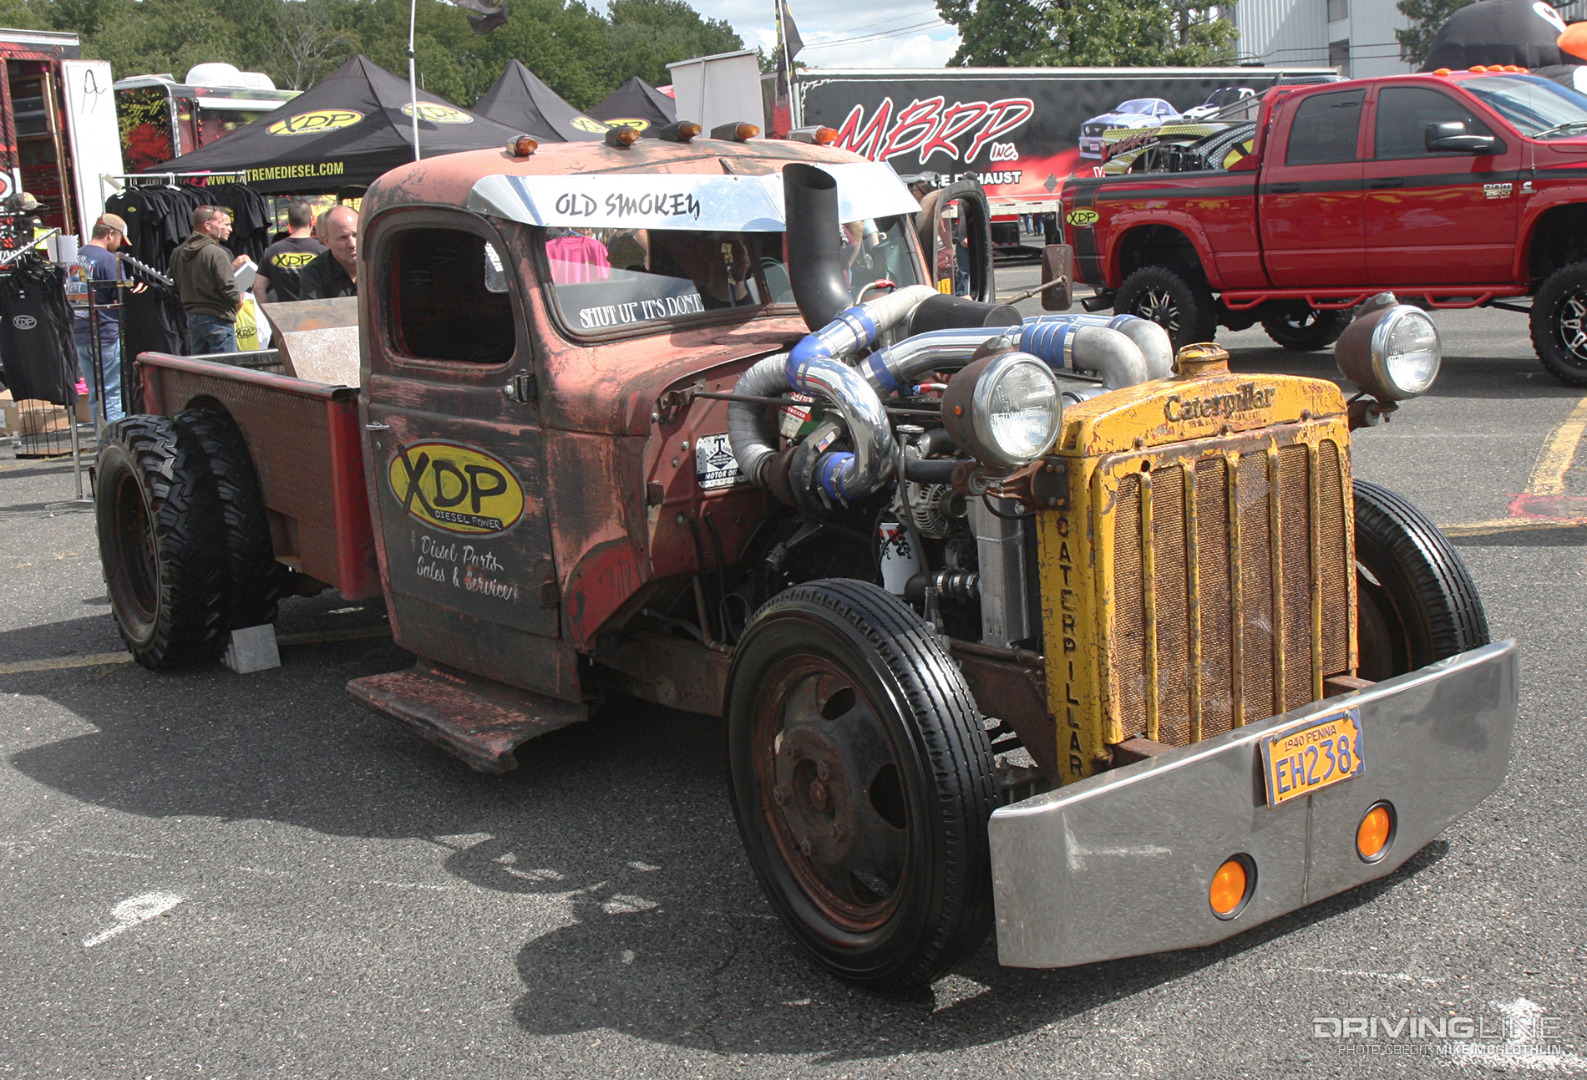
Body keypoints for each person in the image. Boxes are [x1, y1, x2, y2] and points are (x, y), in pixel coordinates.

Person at [72, 213, 145, 422]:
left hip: (80, 332)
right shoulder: (108, 260)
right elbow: (118, 297)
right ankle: (112, 444)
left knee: (96, 394)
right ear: (110, 234)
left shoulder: (75, 257)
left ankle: (101, 441)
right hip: (105, 332)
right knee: (112, 394)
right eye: (119, 240)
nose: (119, 246)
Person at [169, 205, 245, 355]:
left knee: (203, 372)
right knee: (226, 372)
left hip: (193, 320)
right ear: (208, 225)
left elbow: (173, 284)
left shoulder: (177, 252)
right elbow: (230, 290)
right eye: (220, 222)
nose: (223, 227)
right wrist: (238, 300)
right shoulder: (217, 254)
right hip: (219, 320)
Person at [254, 200, 326, 304]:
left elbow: (258, 288)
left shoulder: (272, 251)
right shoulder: (322, 250)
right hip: (316, 313)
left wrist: (269, 314)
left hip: (284, 315)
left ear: (290, 222)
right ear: (311, 220)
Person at [299, 205, 357, 299]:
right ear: (327, 242)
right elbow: (313, 312)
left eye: (356, 235)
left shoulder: (380, 265)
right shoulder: (315, 273)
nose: (352, 244)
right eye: (343, 238)